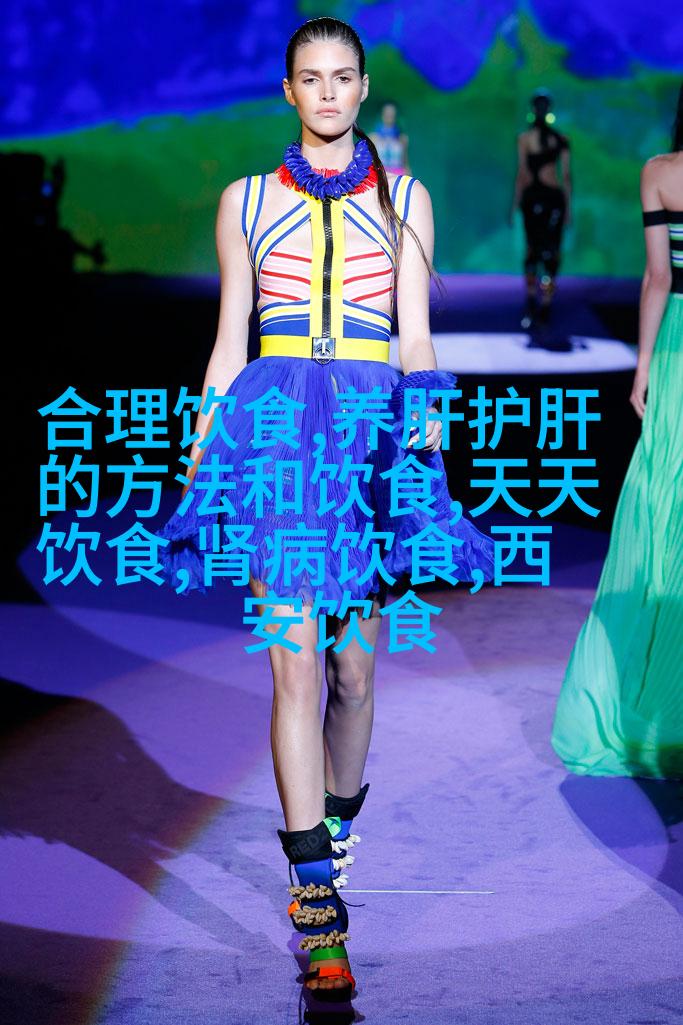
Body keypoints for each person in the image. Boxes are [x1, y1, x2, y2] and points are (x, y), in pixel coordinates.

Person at [157, 16, 495, 1002]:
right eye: (311, 78)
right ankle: (317, 904)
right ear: (288, 90)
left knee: (354, 670)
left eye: (344, 77)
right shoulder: (245, 199)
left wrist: (427, 413)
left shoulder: (406, 198)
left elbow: (413, 333)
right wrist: (204, 432)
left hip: (368, 426)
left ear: (362, 86)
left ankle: (335, 827)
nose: (330, 93)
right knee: (295, 663)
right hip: (274, 430)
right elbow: (229, 335)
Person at [551, 83, 683, 780]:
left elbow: (658, 278)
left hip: (677, 350)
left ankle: (646, 696)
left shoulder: (660, 172)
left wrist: (643, 365)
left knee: (662, 510)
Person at [511, 89, 572, 329]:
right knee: (549, 253)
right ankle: (544, 302)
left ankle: (533, 301)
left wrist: (514, 205)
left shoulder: (526, 138)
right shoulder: (559, 139)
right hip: (551, 199)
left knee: (534, 251)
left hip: (535, 198)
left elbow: (522, 174)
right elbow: (565, 177)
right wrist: (568, 208)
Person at [370, 101, 410, 175]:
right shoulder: (373, 138)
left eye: (392, 113)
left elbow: (405, 164)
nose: (389, 115)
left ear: (396, 115)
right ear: (382, 114)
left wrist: (409, 176)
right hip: (379, 174)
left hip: (397, 175)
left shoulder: (402, 138)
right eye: (387, 113)